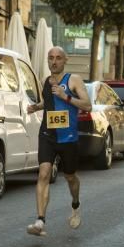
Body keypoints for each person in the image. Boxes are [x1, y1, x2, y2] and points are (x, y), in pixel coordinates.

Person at [26, 46, 92, 236]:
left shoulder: (74, 80)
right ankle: (40, 220)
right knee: (44, 173)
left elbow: (87, 105)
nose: (54, 62)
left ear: (65, 60)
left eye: (58, 58)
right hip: (47, 134)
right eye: (50, 58)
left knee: (70, 177)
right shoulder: (45, 81)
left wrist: (66, 96)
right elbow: (49, 102)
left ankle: (75, 204)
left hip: (68, 137)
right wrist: (36, 107)